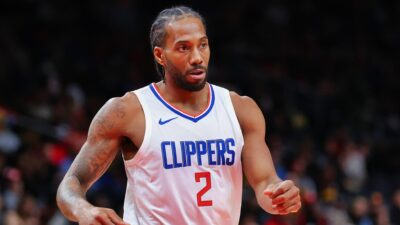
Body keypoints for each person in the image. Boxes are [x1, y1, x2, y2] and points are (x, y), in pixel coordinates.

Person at [56, 6, 301, 225]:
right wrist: (82, 209)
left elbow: (264, 182)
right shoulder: (128, 111)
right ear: (160, 55)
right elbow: (72, 183)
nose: (197, 57)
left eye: (202, 45)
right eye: (184, 47)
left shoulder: (240, 109)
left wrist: (278, 195)